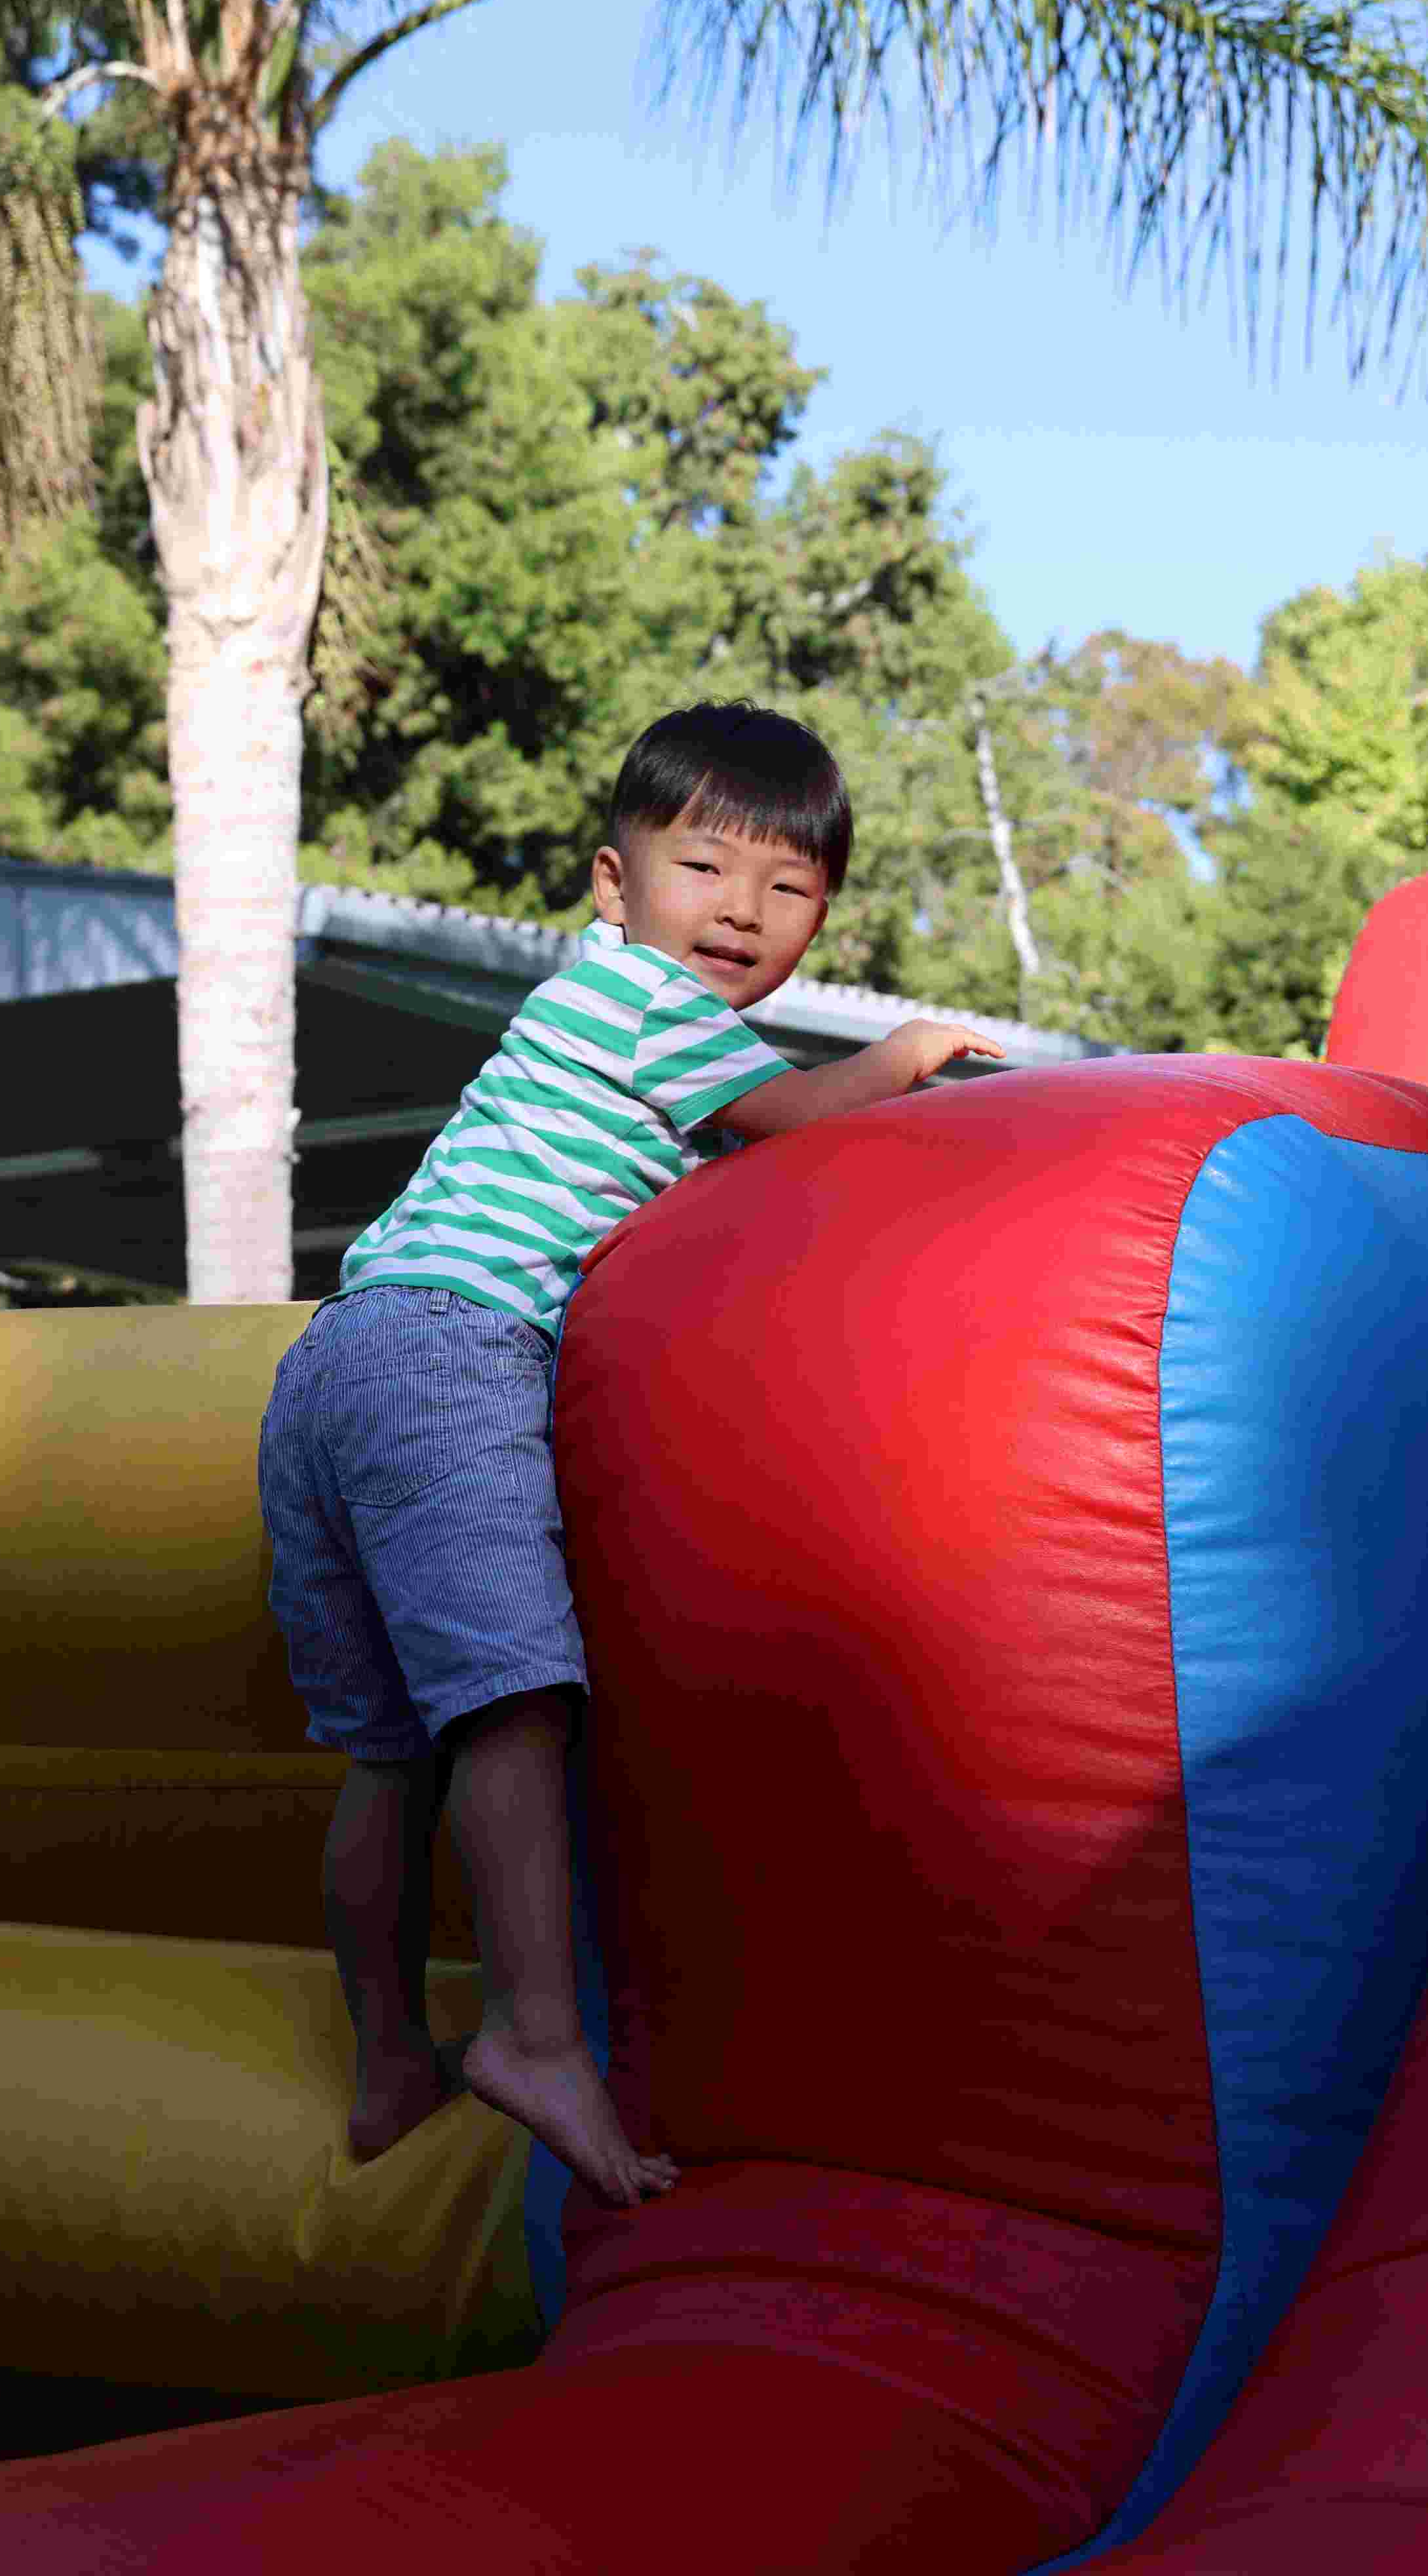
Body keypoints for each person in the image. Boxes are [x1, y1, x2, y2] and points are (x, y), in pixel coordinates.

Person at [256, 702, 1009, 2207]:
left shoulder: (601, 1009)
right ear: (616, 883)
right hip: (453, 1347)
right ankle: (535, 2033)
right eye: (704, 867)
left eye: (789, 887)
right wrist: (908, 1052)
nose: (741, 910)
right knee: (515, 1701)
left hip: (333, 1362)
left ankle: (390, 2053)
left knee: (387, 1752)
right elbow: (801, 1119)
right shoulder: (647, 1000)